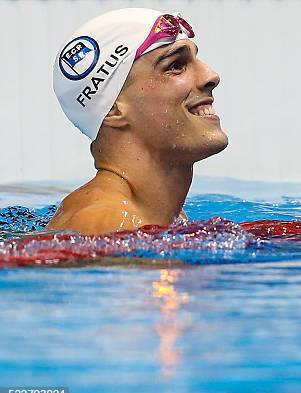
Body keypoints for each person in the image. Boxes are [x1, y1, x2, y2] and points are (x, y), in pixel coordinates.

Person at [46, 8, 228, 235]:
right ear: (113, 108)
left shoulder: (157, 218)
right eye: (175, 65)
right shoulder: (107, 222)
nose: (211, 76)